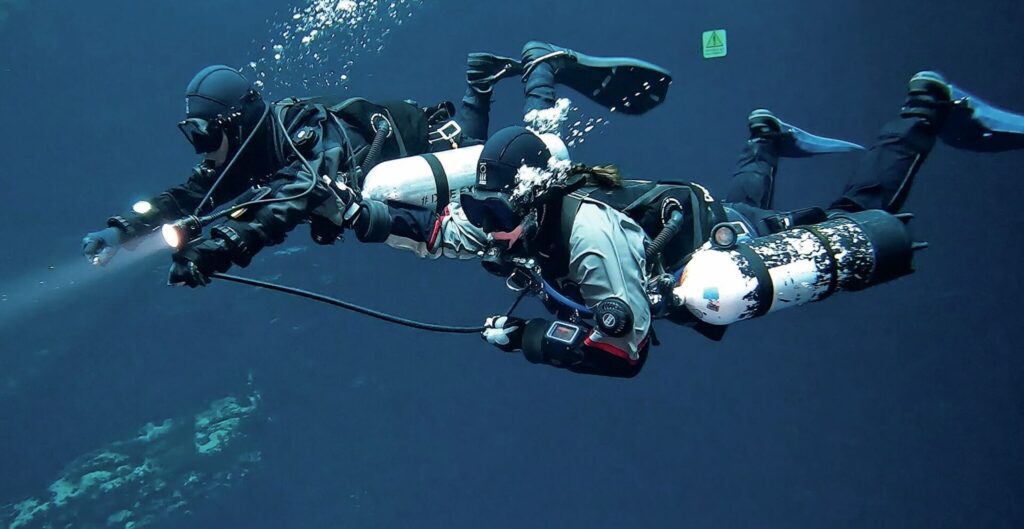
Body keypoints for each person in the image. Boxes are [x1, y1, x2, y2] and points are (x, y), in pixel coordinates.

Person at [348, 68, 1024, 378]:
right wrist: (367, 216)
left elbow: (624, 350)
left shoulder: (588, 241)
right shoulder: (509, 215)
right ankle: (764, 135)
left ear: (529, 201)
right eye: (481, 209)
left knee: (849, 217)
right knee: (746, 200)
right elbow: (445, 233)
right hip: (703, 213)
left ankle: (922, 111)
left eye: (495, 214)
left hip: (711, 245)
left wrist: (525, 337)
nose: (487, 229)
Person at [81, 64, 464, 286]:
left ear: (234, 123)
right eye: (191, 134)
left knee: (500, 193)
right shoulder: (246, 151)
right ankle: (482, 86)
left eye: (205, 133)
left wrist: (220, 248)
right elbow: (190, 195)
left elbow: (297, 192)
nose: (201, 146)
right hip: (407, 198)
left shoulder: (305, 133)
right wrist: (123, 229)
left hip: (435, 155)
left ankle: (483, 87)